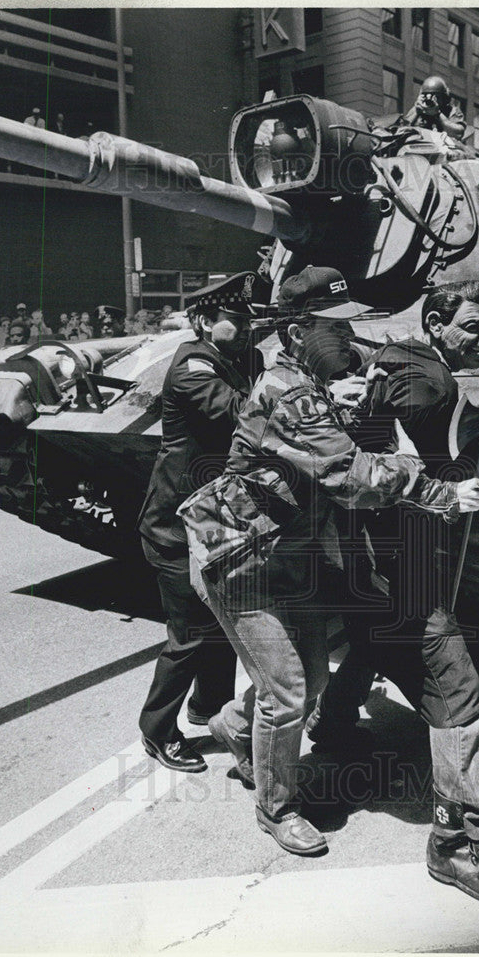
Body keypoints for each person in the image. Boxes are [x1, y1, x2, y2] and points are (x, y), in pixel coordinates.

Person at [179, 266, 479, 858]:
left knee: (315, 678)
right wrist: (443, 493)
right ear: (297, 334)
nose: (349, 341)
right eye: (335, 330)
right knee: (292, 691)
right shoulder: (289, 394)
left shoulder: (307, 384)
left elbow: (322, 445)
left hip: (283, 551)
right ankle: (276, 807)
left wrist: (343, 400)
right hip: (238, 559)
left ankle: (236, 728)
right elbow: (348, 475)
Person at [306, 280, 479, 906]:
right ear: (435, 323)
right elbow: (374, 460)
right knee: (457, 687)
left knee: (375, 641)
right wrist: (448, 490)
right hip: (397, 560)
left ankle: (326, 719)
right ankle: (455, 843)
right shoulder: (430, 383)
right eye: (471, 326)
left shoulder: (400, 359)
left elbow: (383, 436)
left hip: (359, 554)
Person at [137, 271, 267, 772]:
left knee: (222, 617)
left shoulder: (235, 357)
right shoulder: (194, 366)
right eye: (237, 318)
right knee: (189, 633)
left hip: (213, 516)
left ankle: (209, 707)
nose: (247, 323)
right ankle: (157, 729)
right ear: (205, 321)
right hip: (175, 522)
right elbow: (240, 413)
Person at [406, 76, 467, 141]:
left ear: (444, 98)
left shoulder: (452, 111)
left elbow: (457, 133)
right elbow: (401, 131)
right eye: (426, 96)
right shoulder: (418, 109)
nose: (431, 100)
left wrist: (438, 114)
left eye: (436, 97)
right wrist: (416, 112)